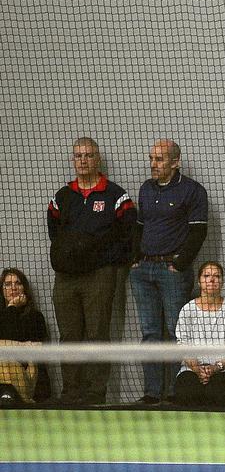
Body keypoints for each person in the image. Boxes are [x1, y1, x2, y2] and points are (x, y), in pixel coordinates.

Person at [47, 137, 136, 405]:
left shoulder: (115, 195)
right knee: (70, 336)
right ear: (73, 161)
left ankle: (96, 393)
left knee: (97, 333)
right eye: (78, 156)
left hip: (100, 275)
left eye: (88, 155)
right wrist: (70, 254)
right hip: (66, 277)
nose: (83, 160)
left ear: (97, 160)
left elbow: (129, 230)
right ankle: (70, 392)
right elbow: (54, 229)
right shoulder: (63, 196)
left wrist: (107, 259)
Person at [130, 139, 208, 405]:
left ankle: (177, 392)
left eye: (159, 159)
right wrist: (135, 259)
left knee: (177, 331)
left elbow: (198, 231)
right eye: (151, 158)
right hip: (143, 271)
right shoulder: (145, 189)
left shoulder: (193, 191)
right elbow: (140, 226)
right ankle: (152, 392)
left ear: (175, 162)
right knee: (150, 332)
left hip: (172, 271)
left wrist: (180, 264)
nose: (153, 164)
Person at [173, 261, 225, 408]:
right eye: (207, 276)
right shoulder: (187, 310)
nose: (211, 280)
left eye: (216, 276)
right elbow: (183, 345)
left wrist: (216, 367)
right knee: (187, 392)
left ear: (222, 281)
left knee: (221, 394)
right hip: (191, 370)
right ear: (199, 281)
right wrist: (196, 369)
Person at [0, 268, 47, 404]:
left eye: (18, 283)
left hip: (26, 377)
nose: (13, 287)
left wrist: (12, 307)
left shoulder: (35, 317)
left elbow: (15, 341)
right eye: (7, 284)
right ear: (2, 290)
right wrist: (11, 308)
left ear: (24, 288)